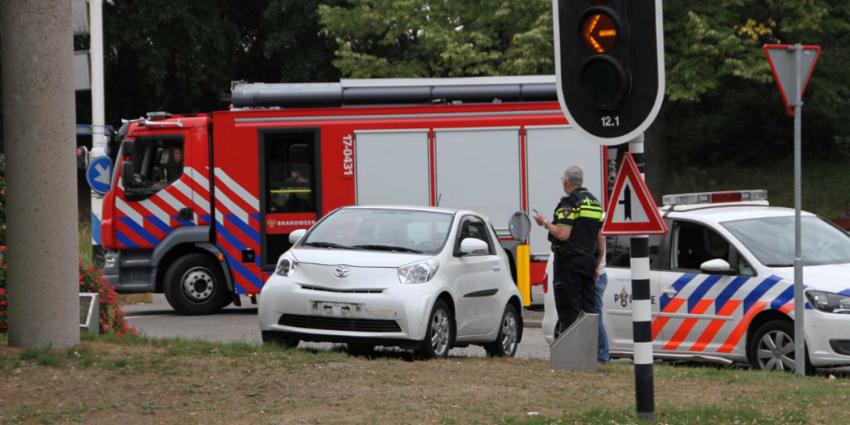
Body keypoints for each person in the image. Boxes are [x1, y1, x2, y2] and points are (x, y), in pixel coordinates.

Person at [534, 165, 603, 336]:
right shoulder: (595, 203)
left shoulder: (570, 203)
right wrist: (596, 265)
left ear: (566, 182)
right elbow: (600, 239)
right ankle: (588, 354)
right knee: (588, 310)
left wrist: (544, 222)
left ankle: (572, 355)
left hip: (569, 264)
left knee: (569, 310)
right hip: (588, 262)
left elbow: (562, 234)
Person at [595, 232, 610, 363]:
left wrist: (595, 268)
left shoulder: (598, 227)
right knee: (594, 317)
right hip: (599, 275)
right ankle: (600, 355)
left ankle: (603, 356)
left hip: (597, 276)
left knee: (595, 318)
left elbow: (600, 248)